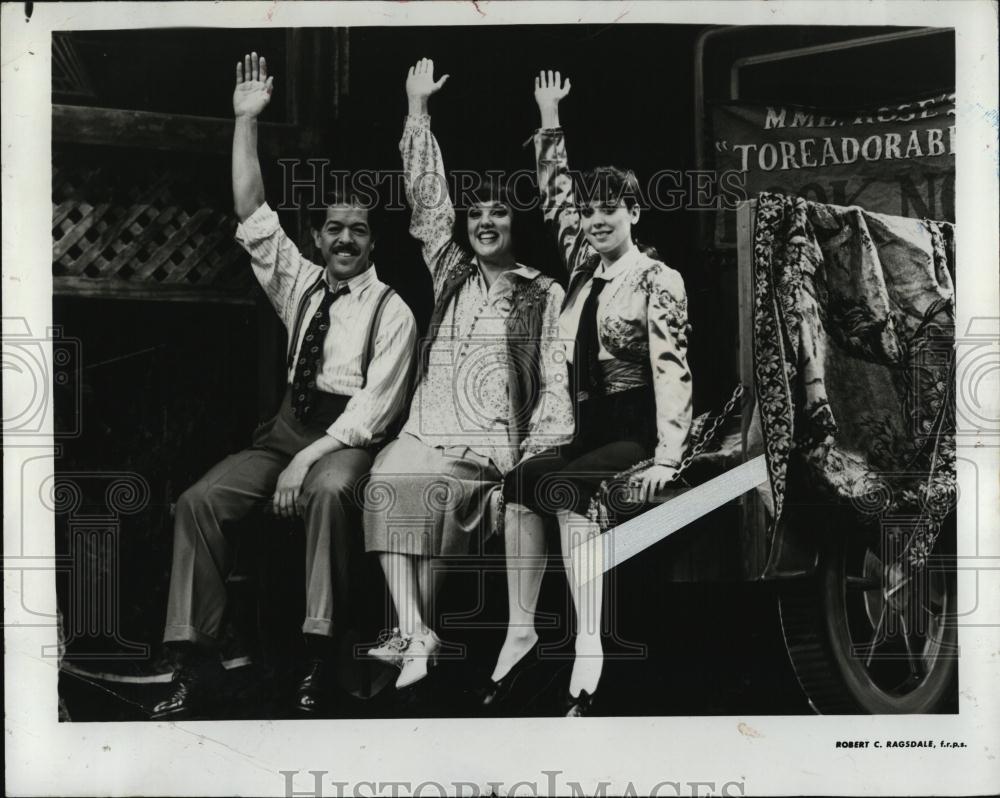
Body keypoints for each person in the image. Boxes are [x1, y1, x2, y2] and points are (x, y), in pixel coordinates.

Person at [152, 53, 418, 719]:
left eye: (358, 230)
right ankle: (198, 655)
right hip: (284, 434)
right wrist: (245, 121)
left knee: (328, 493)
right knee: (199, 501)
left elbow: (373, 410)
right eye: (334, 229)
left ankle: (317, 657)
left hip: (349, 441)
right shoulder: (300, 283)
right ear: (319, 236)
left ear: (372, 239)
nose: (345, 240)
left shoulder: (393, 311)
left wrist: (307, 460)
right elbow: (252, 210)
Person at [483, 71, 693, 716]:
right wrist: (548, 114)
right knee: (521, 486)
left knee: (566, 493)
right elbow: (555, 195)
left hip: (632, 425)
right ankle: (522, 628)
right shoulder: (582, 266)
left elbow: (671, 367)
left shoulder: (658, 277)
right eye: (592, 210)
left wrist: (667, 455)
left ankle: (590, 643)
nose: (597, 219)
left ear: (634, 211)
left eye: (611, 209)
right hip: (584, 427)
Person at [363, 59, 573, 690]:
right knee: (385, 483)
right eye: (477, 211)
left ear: (516, 225)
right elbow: (429, 201)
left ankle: (415, 636)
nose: (485, 221)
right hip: (427, 433)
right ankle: (417, 632)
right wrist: (417, 110)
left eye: (499, 214)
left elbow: (556, 381)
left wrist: (535, 457)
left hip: (487, 450)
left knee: (410, 502)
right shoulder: (451, 271)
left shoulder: (544, 293)